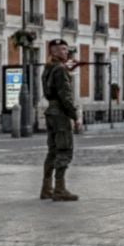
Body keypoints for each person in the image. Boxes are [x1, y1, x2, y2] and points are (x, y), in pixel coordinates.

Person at [41, 38, 82, 201]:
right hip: (60, 113)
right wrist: (74, 116)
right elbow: (66, 95)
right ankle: (59, 189)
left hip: (51, 111)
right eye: (63, 49)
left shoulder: (48, 68)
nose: (66, 52)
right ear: (54, 51)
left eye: (66, 49)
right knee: (64, 150)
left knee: (52, 151)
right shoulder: (60, 69)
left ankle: (46, 188)